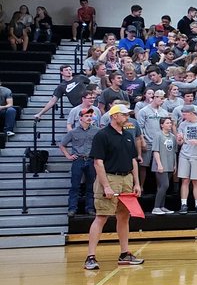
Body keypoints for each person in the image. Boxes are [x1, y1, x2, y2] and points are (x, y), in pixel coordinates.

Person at [83, 103, 145, 271]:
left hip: (126, 179)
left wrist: (137, 183)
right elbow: (98, 162)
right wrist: (106, 186)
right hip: (109, 177)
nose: (127, 117)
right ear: (114, 116)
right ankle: (90, 257)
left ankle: (124, 254)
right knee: (102, 216)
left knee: (124, 216)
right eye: (124, 115)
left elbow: (133, 160)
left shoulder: (127, 135)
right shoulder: (102, 135)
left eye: (127, 115)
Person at [58, 107, 97, 216]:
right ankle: (72, 209)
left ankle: (90, 208)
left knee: (91, 186)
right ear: (81, 118)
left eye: (90, 116)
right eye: (86, 116)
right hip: (78, 159)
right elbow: (62, 144)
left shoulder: (96, 130)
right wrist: (68, 156)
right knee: (75, 186)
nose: (89, 118)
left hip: (90, 160)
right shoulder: (73, 132)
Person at [176, 105, 197, 213]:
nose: (183, 117)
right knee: (185, 180)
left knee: (196, 181)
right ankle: (183, 204)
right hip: (185, 153)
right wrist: (179, 139)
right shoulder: (182, 124)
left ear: (192, 113)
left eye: (185, 114)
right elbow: (180, 142)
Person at [149, 115, 177, 215]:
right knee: (164, 185)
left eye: (170, 123)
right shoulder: (158, 135)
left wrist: (175, 165)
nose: (169, 125)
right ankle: (156, 207)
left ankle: (162, 206)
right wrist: (159, 164)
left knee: (163, 187)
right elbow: (156, 151)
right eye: (167, 123)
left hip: (169, 164)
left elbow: (174, 151)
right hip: (160, 165)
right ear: (162, 125)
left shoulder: (173, 137)